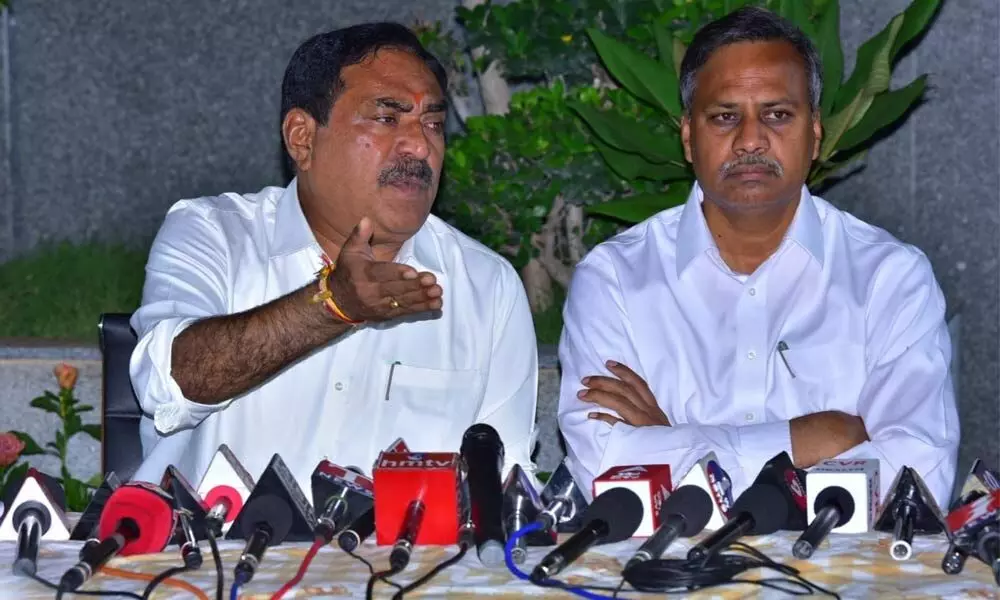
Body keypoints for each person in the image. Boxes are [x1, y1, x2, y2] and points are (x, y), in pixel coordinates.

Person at [558, 7, 959, 508]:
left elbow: (918, 477)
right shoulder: (615, 279)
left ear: (814, 135)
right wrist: (817, 436)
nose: (750, 140)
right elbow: (602, 467)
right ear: (688, 137)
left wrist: (673, 443)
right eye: (725, 117)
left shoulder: (889, 278)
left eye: (777, 115)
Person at [128, 23, 538, 493]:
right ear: (302, 138)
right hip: (211, 558)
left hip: (408, 564)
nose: (421, 146)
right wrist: (331, 305)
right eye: (388, 118)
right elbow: (170, 385)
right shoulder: (214, 235)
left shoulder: (487, 286)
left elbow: (504, 484)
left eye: (433, 122)